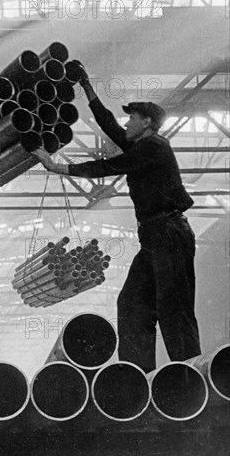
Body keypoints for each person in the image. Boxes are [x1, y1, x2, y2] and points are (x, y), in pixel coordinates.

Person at [33, 70, 201, 373]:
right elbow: (107, 123)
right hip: (153, 236)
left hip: (170, 233)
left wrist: (59, 167)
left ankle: (190, 379)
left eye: (132, 118)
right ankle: (141, 378)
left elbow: (111, 165)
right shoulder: (141, 146)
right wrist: (87, 87)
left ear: (146, 122)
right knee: (132, 305)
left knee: (173, 309)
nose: (126, 123)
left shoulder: (154, 147)